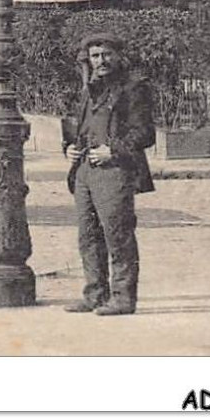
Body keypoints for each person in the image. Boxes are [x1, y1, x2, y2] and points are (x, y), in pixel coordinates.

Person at [64, 33, 156, 316]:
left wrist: (113, 150)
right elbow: (78, 126)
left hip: (115, 171)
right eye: (95, 56)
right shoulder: (88, 89)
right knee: (88, 236)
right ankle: (95, 293)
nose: (101, 61)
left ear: (118, 56)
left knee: (117, 235)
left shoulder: (133, 88)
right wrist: (68, 148)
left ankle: (123, 298)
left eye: (106, 55)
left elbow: (145, 133)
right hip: (84, 173)